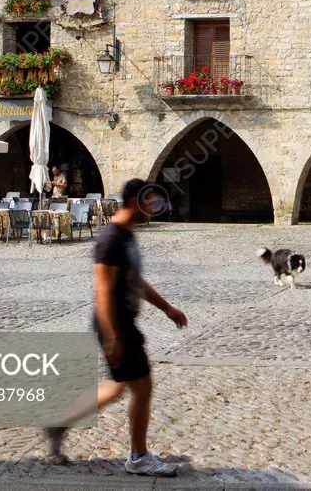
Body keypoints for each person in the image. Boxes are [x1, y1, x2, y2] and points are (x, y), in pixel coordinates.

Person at [44, 178, 188, 476]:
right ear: (136, 202)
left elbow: (135, 280)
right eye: (150, 202)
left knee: (120, 387)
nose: (154, 208)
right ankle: (138, 457)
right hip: (116, 324)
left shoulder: (126, 235)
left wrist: (166, 308)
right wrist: (112, 336)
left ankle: (59, 422)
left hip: (122, 323)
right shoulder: (111, 239)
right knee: (142, 388)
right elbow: (102, 290)